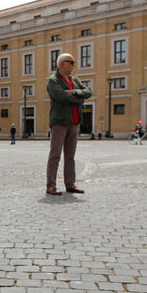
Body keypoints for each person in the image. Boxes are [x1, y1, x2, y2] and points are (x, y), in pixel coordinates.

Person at [46, 53, 92, 195]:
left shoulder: (75, 80)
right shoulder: (53, 80)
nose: (74, 64)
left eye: (73, 62)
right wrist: (79, 98)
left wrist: (73, 92)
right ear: (62, 64)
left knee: (70, 156)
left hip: (74, 121)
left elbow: (88, 91)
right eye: (71, 62)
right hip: (59, 121)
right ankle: (51, 185)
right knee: (55, 154)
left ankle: (70, 184)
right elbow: (60, 96)